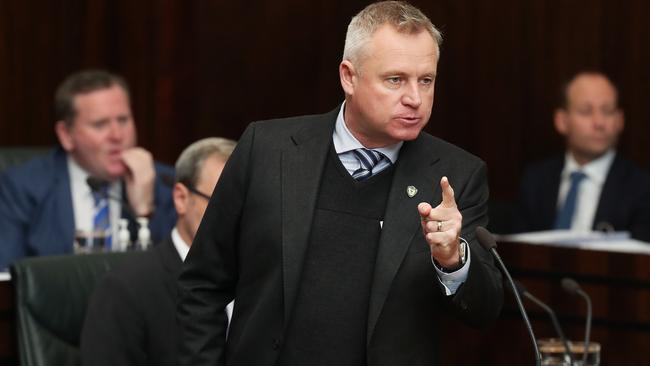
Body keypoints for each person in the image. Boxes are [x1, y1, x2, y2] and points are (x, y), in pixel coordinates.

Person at [177, 2, 503, 365]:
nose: (415, 98)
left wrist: (452, 259)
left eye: (426, 80)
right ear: (349, 77)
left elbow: (485, 311)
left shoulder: (457, 175)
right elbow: (201, 285)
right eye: (395, 80)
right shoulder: (268, 150)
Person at [80, 137, 236, 366]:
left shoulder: (263, 280)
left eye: (246, 204)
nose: (236, 217)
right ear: (181, 198)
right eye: (222, 203)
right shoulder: (126, 290)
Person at [0, 70, 177, 269]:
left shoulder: (168, 184)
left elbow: (179, 275)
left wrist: (145, 212)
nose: (117, 135)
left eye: (123, 120)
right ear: (66, 135)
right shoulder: (21, 187)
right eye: (100, 124)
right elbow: (7, 277)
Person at [514, 71, 650, 241]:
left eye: (607, 111)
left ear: (619, 120)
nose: (599, 123)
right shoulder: (536, 180)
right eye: (586, 112)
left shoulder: (642, 187)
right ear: (562, 121)